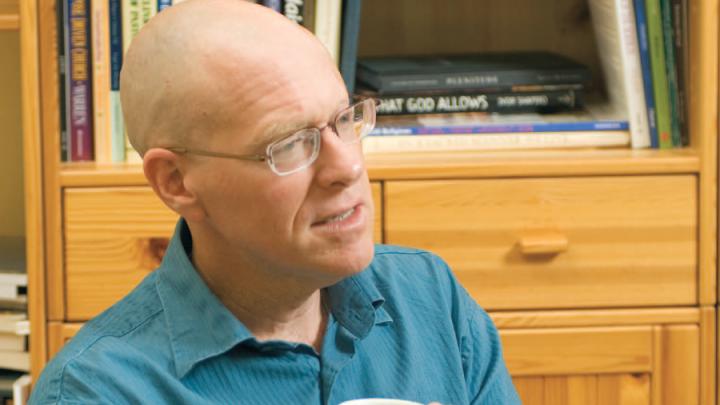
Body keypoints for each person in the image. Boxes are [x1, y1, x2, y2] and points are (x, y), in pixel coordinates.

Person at [30, 0, 520, 403]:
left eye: (345, 120)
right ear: (176, 181)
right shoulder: (95, 392)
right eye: (289, 144)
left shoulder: (430, 298)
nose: (346, 167)